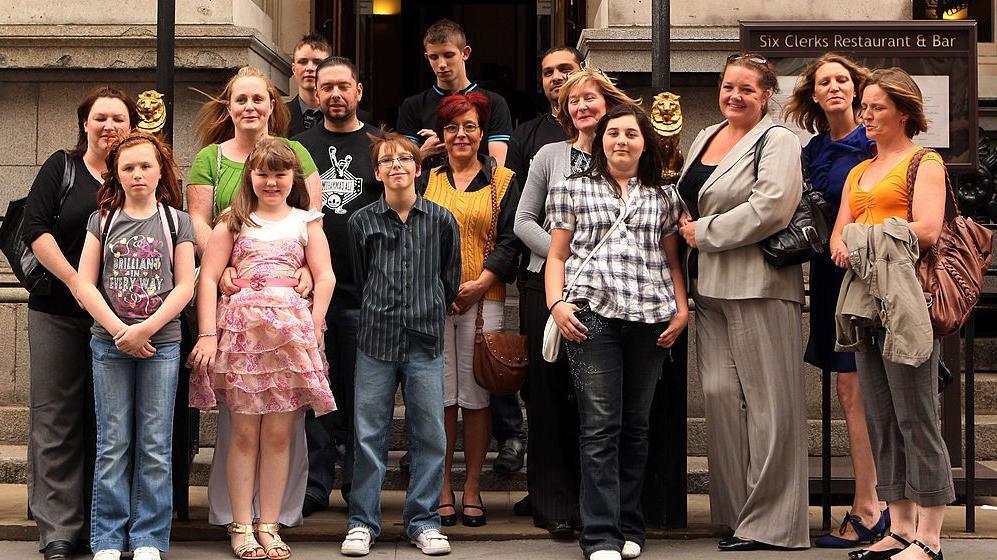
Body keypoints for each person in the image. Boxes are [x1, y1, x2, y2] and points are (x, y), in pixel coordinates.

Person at [676, 53, 809, 552]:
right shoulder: (705, 135)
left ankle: (772, 524)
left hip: (759, 285)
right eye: (729, 86)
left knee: (770, 406)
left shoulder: (779, 140)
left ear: (765, 95)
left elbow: (772, 207)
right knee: (717, 396)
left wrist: (702, 233)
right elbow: (685, 198)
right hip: (707, 287)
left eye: (747, 89)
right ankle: (734, 515)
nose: (735, 95)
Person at [545, 103, 688, 560]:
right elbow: (557, 256)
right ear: (601, 141)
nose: (621, 141)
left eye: (630, 134)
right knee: (600, 427)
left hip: (651, 319)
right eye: (613, 134)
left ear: (645, 142)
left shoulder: (664, 197)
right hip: (594, 317)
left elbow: (671, 260)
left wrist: (682, 310)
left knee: (636, 427)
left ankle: (631, 526)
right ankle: (600, 534)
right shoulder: (572, 189)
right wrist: (557, 303)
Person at [185, 65, 322, 530]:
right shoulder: (212, 162)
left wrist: (298, 272)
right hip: (238, 307)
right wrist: (226, 268)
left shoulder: (297, 156)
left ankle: (276, 516)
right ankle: (237, 518)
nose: (249, 107)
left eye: (258, 99)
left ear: (272, 105)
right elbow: (201, 226)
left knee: (284, 430)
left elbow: (311, 229)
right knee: (240, 428)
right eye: (240, 99)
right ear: (229, 106)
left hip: (287, 322)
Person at [830, 67, 952, 560]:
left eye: (876, 107)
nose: (866, 114)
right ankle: (899, 529)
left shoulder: (924, 162)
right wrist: (853, 241)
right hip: (863, 303)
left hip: (905, 300)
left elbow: (926, 229)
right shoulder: (859, 171)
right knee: (881, 417)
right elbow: (839, 234)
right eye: (865, 106)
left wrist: (863, 239)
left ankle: (931, 538)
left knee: (917, 417)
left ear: (904, 111)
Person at [513, 66, 638, 538]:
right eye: (573, 101)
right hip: (545, 288)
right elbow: (524, 221)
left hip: (610, 297)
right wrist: (566, 260)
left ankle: (599, 508)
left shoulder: (624, 152)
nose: (582, 107)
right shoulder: (550, 155)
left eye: (591, 98)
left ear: (609, 103)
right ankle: (554, 505)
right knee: (547, 396)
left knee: (596, 404)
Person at [21, 86, 138, 560]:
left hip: (122, 322)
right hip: (60, 313)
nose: (109, 127)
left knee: (108, 424)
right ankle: (59, 532)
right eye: (100, 118)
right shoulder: (62, 167)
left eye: (118, 119)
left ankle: (102, 525)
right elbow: (34, 228)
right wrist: (75, 283)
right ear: (84, 124)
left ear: (132, 126)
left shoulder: (139, 170)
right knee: (56, 419)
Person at [75, 131, 196, 560]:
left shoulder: (176, 221)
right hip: (109, 346)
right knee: (113, 442)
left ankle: (147, 536)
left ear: (160, 169)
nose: (137, 173)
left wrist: (146, 329)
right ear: (116, 174)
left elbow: (185, 285)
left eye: (145, 165)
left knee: (154, 442)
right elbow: (83, 284)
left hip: (160, 346)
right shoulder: (102, 221)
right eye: (127, 167)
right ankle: (108, 538)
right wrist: (118, 331)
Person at [340, 132, 461, 557]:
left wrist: (428, 306)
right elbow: (358, 277)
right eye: (387, 160)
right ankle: (362, 522)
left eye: (404, 159)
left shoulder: (442, 220)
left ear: (418, 168)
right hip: (375, 339)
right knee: (368, 433)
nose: (396, 166)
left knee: (429, 435)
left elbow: (450, 278)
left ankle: (424, 521)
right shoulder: (362, 221)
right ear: (377, 173)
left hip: (425, 341)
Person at [784, 53, 888, 549]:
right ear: (813, 94)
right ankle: (875, 503)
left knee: (863, 390)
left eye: (842, 79)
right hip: (828, 278)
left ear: (857, 87)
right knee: (852, 391)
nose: (834, 87)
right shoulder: (811, 149)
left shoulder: (873, 143)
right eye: (824, 81)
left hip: (870, 278)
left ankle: (873, 507)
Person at [419, 91, 522, 529]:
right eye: (452, 127)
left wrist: (481, 283)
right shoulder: (426, 178)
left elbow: (512, 240)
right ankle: (442, 485)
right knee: (440, 398)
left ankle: (474, 486)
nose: (461, 135)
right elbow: (413, 234)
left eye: (470, 127)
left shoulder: (503, 180)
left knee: (477, 397)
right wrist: (442, 288)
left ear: (482, 133)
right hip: (434, 301)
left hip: (485, 302)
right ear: (442, 135)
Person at [292, 55, 382, 516]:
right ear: (315, 90)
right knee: (317, 393)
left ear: (358, 90)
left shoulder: (380, 145)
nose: (335, 94)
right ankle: (316, 482)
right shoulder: (298, 147)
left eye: (343, 86)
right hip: (311, 294)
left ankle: (358, 490)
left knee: (361, 395)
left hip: (368, 292)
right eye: (326, 87)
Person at [491, 45, 584, 478]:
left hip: (599, 281)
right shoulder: (527, 136)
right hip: (539, 275)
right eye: (548, 72)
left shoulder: (611, 135)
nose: (557, 77)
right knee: (543, 387)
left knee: (587, 389)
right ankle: (546, 488)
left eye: (566, 69)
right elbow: (519, 213)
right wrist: (563, 257)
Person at [397, 19, 513, 167]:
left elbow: (497, 168)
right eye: (434, 57)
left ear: (465, 53)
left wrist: (452, 142)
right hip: (426, 189)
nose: (442, 64)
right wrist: (424, 152)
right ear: (427, 57)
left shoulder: (494, 103)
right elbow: (401, 169)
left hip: (478, 188)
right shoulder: (413, 106)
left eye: (448, 55)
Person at [285, 34, 373, 138]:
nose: (309, 68)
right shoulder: (279, 115)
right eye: (303, 62)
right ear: (294, 69)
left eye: (317, 62)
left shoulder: (362, 119)